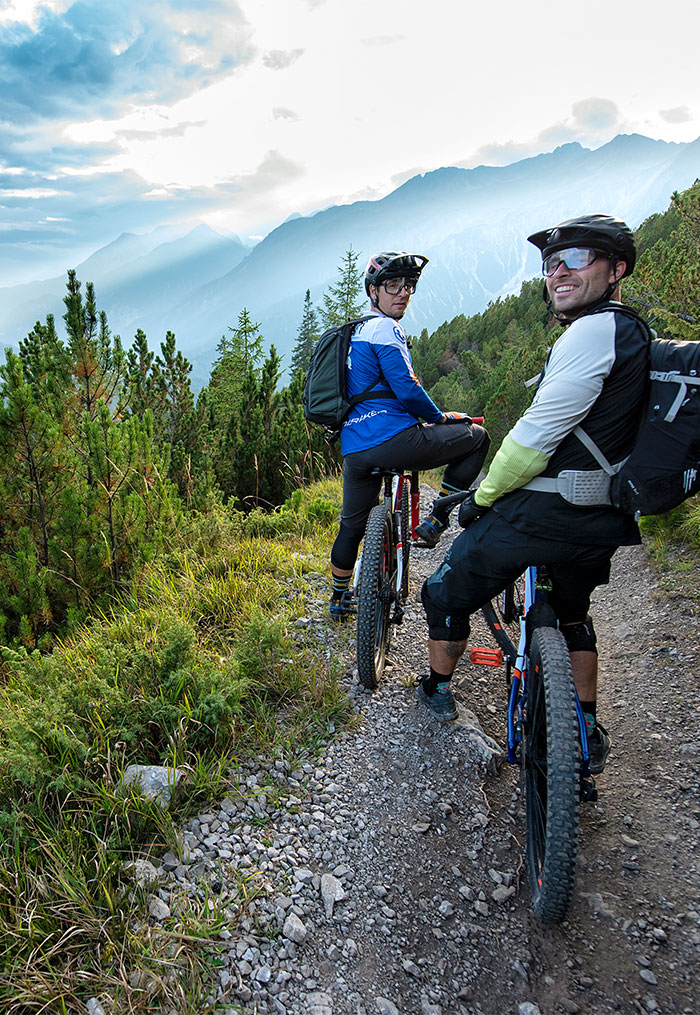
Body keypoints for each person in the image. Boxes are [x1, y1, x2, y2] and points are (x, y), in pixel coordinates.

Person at [419, 214, 647, 771]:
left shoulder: (590, 333)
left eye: (576, 259)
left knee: (444, 591)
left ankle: (436, 688)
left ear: (616, 269)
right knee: (572, 613)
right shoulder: (636, 334)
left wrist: (478, 501)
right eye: (551, 263)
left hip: (545, 513)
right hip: (605, 513)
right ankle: (586, 727)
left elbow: (530, 444)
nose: (558, 273)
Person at [329, 250, 490, 620]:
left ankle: (339, 599)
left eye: (409, 286)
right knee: (477, 436)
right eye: (392, 285)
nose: (402, 293)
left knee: (351, 524)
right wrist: (440, 417)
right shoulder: (386, 329)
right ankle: (438, 517)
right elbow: (407, 389)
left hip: (355, 447)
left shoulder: (355, 332)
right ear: (373, 291)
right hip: (396, 440)